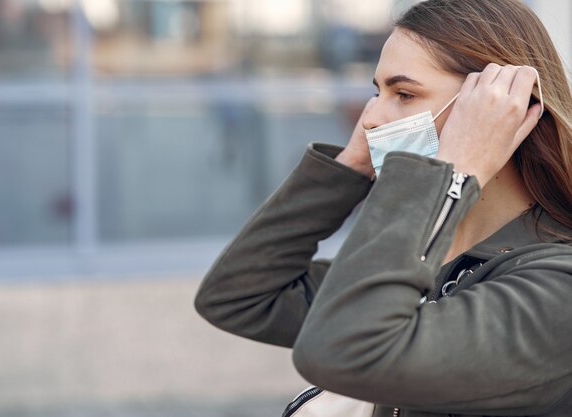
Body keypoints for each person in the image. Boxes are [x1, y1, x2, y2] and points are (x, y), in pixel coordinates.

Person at [194, 0, 572, 415]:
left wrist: (454, 170)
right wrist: (353, 165)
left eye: (404, 93)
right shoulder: (426, 260)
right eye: (377, 93)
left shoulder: (556, 287)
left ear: (500, 107)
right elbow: (238, 296)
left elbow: (341, 351)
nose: (371, 117)